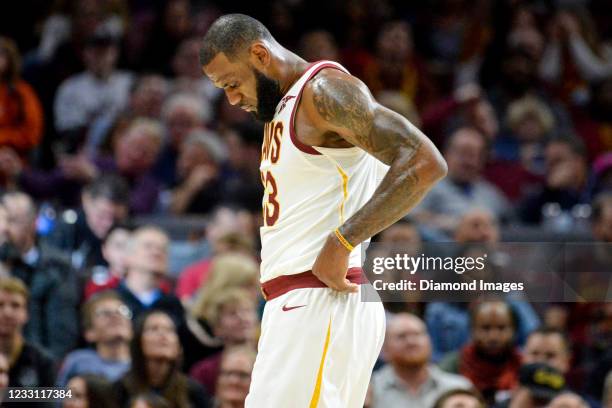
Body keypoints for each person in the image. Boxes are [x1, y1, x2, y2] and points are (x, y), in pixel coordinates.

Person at [200, 14, 447, 407]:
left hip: (321, 299)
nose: (231, 99)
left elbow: (425, 161)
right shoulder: (280, 107)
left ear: (260, 55)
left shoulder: (324, 91)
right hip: (299, 303)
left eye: (232, 83)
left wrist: (342, 240)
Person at [1, 191, 80, 359]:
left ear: (33, 223)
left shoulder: (59, 267)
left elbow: (61, 333)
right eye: (2, 220)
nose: (5, 228)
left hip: (37, 368)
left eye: (12, 220)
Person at [413, 127, 511, 233]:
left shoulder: (491, 194)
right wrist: (455, 224)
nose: (468, 162)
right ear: (446, 154)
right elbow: (410, 218)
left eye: (473, 155)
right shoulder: (427, 187)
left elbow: (512, 227)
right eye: (463, 153)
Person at [370, 313, 472, 408]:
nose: (411, 342)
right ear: (384, 349)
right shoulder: (370, 390)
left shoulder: (457, 388)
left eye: (417, 334)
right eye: (401, 336)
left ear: (430, 342)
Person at [114, 310, 212, 408]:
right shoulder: (121, 391)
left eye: (170, 330)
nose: (163, 335)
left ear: (178, 346)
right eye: (153, 329)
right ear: (138, 342)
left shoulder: (193, 392)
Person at [439, 301, 522, 404]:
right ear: (472, 330)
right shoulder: (453, 365)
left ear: (514, 330)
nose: (493, 337)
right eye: (485, 328)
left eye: (501, 328)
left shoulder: (522, 365)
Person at [47, 176, 130, 272]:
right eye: (101, 215)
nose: (108, 224)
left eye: (116, 219)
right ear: (86, 201)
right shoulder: (64, 229)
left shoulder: (130, 235)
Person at [56, 291, 132, 387]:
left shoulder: (142, 364)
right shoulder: (78, 362)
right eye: (105, 313)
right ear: (89, 333)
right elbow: (57, 397)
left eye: (122, 311)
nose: (116, 316)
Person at [189, 288, 259, 389]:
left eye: (247, 311)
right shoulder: (204, 372)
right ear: (217, 327)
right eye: (232, 313)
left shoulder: (270, 361)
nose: (242, 318)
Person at [116, 226, 183, 325]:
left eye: (162, 249)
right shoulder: (110, 300)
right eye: (148, 246)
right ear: (128, 255)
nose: (156, 252)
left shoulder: (174, 306)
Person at [0, 277, 55, 389]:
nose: (7, 313)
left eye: (15, 305)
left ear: (26, 313)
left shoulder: (42, 362)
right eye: (0, 305)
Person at [0, 36, 44, 155]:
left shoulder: (22, 92)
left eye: (1, 54)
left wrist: (3, 138)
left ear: (10, 60)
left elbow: (32, 134)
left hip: (13, 157)